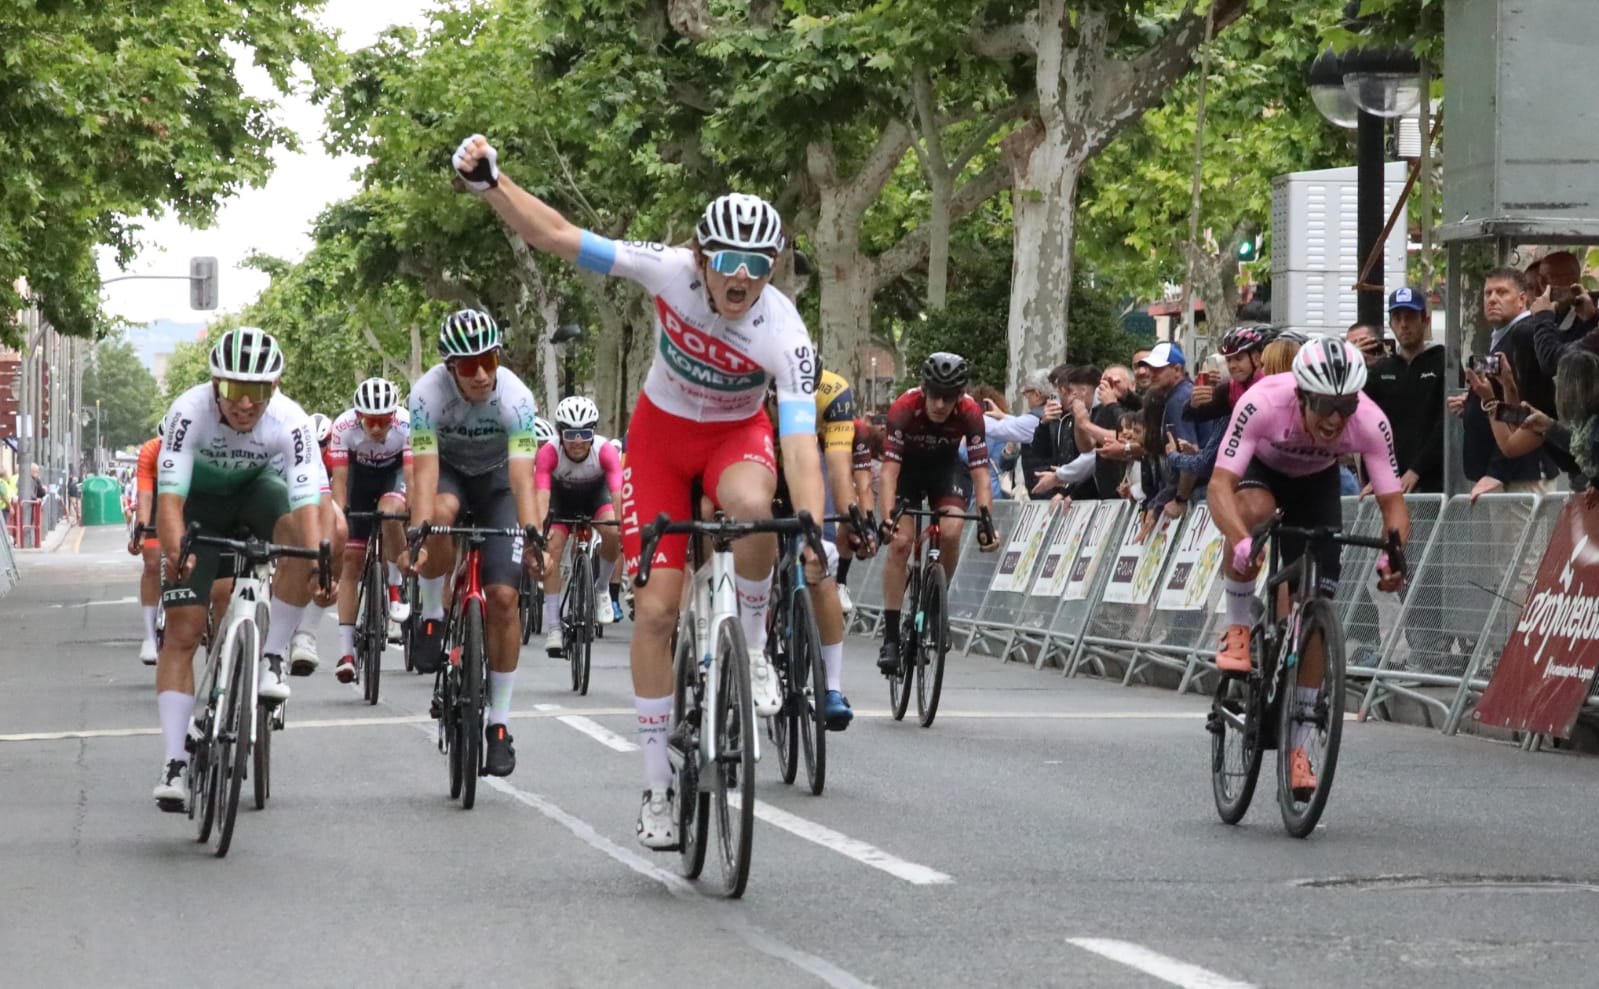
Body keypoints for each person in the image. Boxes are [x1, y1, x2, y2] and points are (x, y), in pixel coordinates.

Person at [450, 133, 826, 849]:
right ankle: (655, 784)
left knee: (755, 512)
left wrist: (809, 526)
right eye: (726, 260)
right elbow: (557, 234)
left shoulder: (785, 331)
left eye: (757, 264)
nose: (739, 277)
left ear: (773, 268)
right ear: (700, 257)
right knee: (655, 609)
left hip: (734, 439)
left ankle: (752, 649)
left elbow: (800, 444)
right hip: (657, 440)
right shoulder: (666, 271)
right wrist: (493, 185)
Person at [1208, 337, 1409, 795]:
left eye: (1345, 406)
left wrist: (1392, 554)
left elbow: (1393, 506)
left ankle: (1298, 747)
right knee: (1254, 511)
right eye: (1323, 406)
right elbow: (1220, 486)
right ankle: (1239, 626)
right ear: (1300, 395)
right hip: (1263, 472)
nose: (1336, 419)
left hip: (1315, 486)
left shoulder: (1371, 422)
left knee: (1316, 605)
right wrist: (1241, 542)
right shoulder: (1262, 404)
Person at [150, 327, 327, 811]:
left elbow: (308, 497)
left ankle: (271, 653)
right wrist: (175, 551)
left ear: (276, 388)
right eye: (233, 390)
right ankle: (174, 761)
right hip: (198, 506)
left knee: (300, 537)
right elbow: (170, 501)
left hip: (255, 494)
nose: (246, 404)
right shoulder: (189, 412)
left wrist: (316, 565)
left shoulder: (291, 421)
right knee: (182, 632)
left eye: (259, 391)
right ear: (214, 384)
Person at [404, 309, 545, 779]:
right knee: (439, 518)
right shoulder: (426, 396)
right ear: (450, 368)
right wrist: (420, 531)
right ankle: (430, 614)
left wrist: (531, 534)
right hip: (448, 475)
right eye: (468, 365)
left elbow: (525, 479)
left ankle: (500, 725)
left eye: (488, 360)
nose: (481, 374)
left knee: (505, 597)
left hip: (500, 483)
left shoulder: (517, 398)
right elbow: (423, 472)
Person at [875, 353, 1001, 674]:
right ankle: (890, 638)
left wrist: (987, 520)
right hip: (907, 471)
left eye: (949, 397)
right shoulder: (904, 408)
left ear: (961, 396)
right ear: (923, 388)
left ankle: (935, 602)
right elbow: (889, 473)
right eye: (935, 395)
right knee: (901, 543)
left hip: (945, 471)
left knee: (952, 531)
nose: (941, 405)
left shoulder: (971, 412)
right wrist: (888, 516)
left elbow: (981, 474)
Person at [767, 364, 876, 730]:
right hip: (763, 465)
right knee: (756, 553)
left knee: (822, 562)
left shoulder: (833, 391)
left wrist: (852, 517)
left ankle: (831, 688)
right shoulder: (751, 392)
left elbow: (838, 465)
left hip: (807, 470)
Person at [328, 378, 414, 684]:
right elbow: (339, 479)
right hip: (358, 481)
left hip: (393, 477)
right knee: (350, 563)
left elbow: (412, 476)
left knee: (390, 515)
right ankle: (346, 653)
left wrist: (413, 518)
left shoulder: (406, 425)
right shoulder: (343, 427)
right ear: (357, 416)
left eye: (383, 421)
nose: (376, 428)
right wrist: (340, 519)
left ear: (393, 416)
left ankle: (394, 587)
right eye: (369, 421)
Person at [536, 396, 623, 657]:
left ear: (593, 432)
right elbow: (541, 497)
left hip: (596, 497)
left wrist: (622, 529)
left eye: (584, 433)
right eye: (571, 433)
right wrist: (540, 533)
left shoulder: (605, 450)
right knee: (551, 546)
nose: (577, 440)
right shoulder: (548, 453)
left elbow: (618, 494)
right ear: (560, 432)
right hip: (560, 500)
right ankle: (553, 626)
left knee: (611, 530)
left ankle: (602, 589)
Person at [1366, 287, 1444, 493]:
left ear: (1425, 320)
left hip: (1434, 484)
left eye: (1410, 317)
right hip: (1388, 482)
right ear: (1390, 323)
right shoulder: (1380, 369)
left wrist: (1417, 470)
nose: (1404, 324)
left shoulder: (1443, 362)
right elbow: (1366, 425)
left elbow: (1446, 424)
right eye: (1397, 317)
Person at [287, 412, 347, 675]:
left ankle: (306, 632)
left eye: (323, 444)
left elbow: (338, 489)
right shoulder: (289, 438)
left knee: (339, 528)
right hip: (284, 489)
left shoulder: (333, 453)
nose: (320, 449)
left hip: (318, 491)